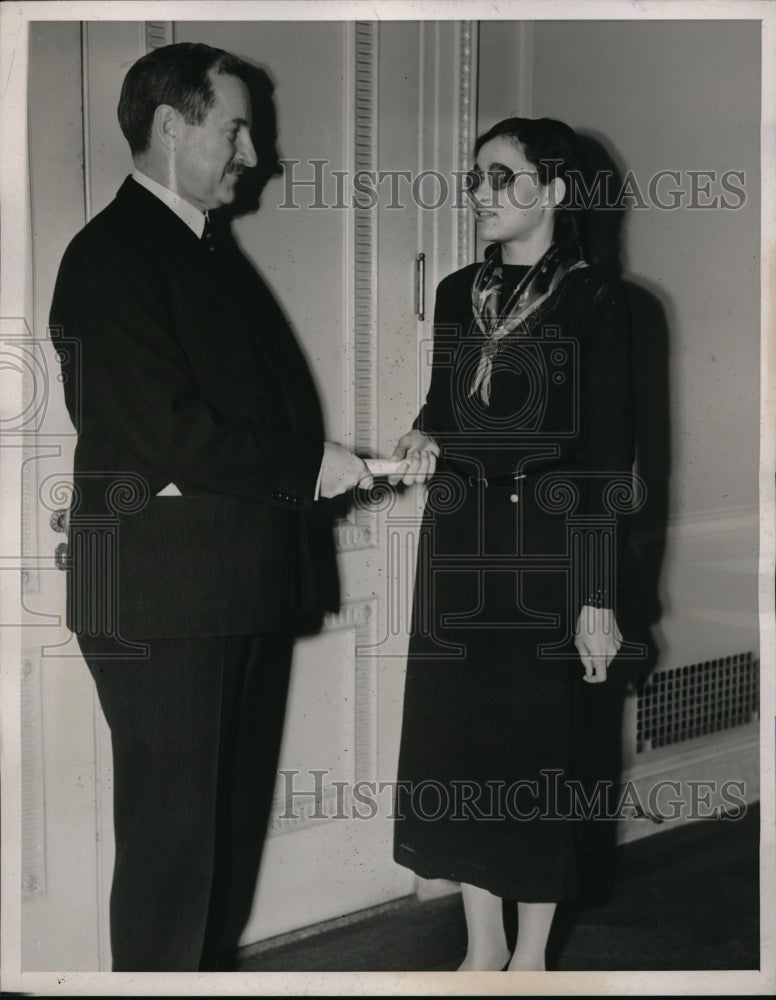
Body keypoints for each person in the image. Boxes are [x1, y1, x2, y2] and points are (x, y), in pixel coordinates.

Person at [50, 41, 371, 972]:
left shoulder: (195, 248)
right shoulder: (112, 255)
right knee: (173, 860)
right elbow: (170, 433)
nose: (252, 153)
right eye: (234, 128)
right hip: (166, 600)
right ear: (168, 125)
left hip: (223, 590)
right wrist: (311, 467)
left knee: (216, 842)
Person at [388, 117, 634, 971]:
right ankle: (481, 947)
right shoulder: (461, 292)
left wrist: (598, 596)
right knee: (457, 746)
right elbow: (443, 406)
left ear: (554, 192)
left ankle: (530, 959)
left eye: (502, 178)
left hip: (550, 551)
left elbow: (610, 463)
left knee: (537, 755)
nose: (482, 194)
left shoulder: (602, 301)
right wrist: (424, 433)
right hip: (458, 541)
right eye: (476, 178)